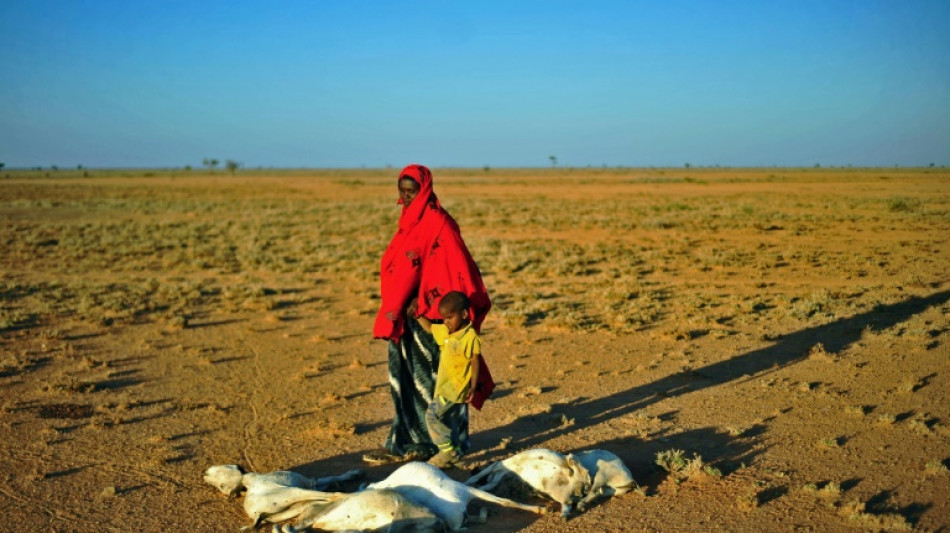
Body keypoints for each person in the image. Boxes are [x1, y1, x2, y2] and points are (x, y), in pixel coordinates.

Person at [365, 164, 492, 464]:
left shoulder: (438, 222)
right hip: (407, 317)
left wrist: (427, 305)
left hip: (432, 319)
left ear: (425, 189)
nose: (407, 197)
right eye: (403, 191)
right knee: (406, 381)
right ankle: (406, 441)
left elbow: (455, 269)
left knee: (440, 382)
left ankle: (443, 447)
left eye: (412, 191)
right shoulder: (408, 220)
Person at [411, 291, 480, 468]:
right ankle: (454, 454)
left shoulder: (469, 336)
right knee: (448, 421)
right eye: (443, 318)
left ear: (464, 314)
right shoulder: (446, 331)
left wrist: (473, 386)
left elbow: (475, 360)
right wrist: (417, 314)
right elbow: (429, 328)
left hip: (455, 388)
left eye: (450, 317)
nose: (446, 322)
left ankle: (447, 452)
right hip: (443, 386)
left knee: (432, 415)